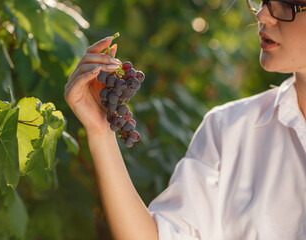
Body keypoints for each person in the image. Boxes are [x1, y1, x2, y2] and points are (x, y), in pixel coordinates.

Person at [64, 0, 306, 238]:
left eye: (286, 4)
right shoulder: (229, 129)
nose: (263, 15)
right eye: (263, 1)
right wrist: (100, 131)